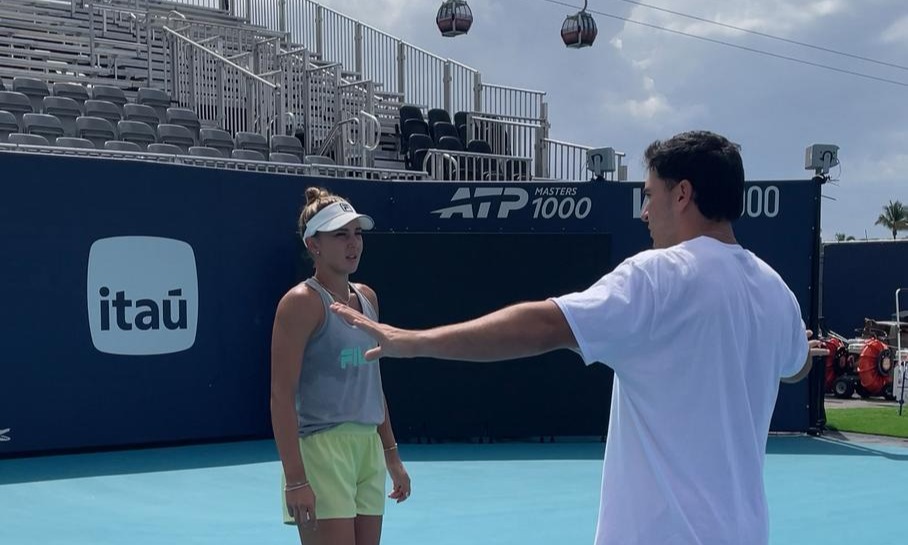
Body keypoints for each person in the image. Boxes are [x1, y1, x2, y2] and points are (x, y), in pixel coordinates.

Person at [331, 131, 827, 545]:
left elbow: (547, 323)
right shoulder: (775, 291)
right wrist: (801, 347)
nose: (644, 212)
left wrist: (411, 341)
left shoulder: (658, 275)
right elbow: (797, 363)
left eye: (649, 195)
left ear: (682, 194)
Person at [270, 187, 411, 545]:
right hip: (321, 449)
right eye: (340, 235)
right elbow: (281, 396)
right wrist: (296, 479)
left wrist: (391, 455)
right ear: (313, 245)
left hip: (367, 450)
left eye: (357, 233)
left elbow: (373, 384)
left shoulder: (368, 298)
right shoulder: (300, 303)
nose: (353, 244)